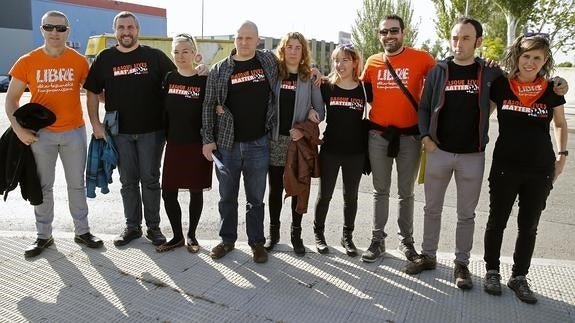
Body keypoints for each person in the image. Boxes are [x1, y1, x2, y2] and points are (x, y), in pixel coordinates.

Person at [4, 10, 103, 257]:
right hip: (41, 136)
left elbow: (95, 94)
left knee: (76, 185)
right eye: (49, 27)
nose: (55, 32)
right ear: (42, 30)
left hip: (73, 133)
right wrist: (19, 130)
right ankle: (43, 236)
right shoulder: (27, 61)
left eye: (60, 28)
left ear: (68, 31)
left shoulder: (79, 61)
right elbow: (11, 99)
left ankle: (82, 231)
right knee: (43, 186)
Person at [483, 33, 568, 304]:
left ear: (544, 61)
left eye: (537, 58)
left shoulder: (551, 89)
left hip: (540, 170)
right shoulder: (502, 86)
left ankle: (519, 277)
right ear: (517, 57)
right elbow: (483, 114)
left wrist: (562, 157)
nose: (530, 62)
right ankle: (492, 271)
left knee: (528, 226)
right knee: (497, 222)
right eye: (526, 56)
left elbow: (560, 124)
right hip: (505, 167)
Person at [84, 11, 176, 247]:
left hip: (152, 132)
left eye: (130, 27)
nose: (126, 32)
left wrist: (200, 72)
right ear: (115, 31)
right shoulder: (105, 58)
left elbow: (178, 81)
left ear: (138, 30)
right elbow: (93, 91)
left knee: (151, 179)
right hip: (119, 133)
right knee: (128, 181)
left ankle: (153, 227)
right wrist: (95, 124)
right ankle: (132, 226)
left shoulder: (154, 56)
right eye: (121, 27)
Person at [360, 14, 436, 263]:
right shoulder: (372, 63)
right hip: (379, 135)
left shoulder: (421, 58)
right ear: (379, 35)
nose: (389, 36)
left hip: (410, 137)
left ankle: (406, 242)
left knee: (406, 192)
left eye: (394, 31)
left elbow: (444, 79)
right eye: (384, 32)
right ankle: (377, 240)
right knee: (380, 190)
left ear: (403, 33)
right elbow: (360, 91)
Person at [201, 21, 278, 263]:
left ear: (258, 40)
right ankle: (227, 240)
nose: (244, 42)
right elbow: (207, 106)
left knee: (256, 198)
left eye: (249, 38)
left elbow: (297, 66)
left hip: (259, 143)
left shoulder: (268, 62)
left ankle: (256, 242)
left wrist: (316, 73)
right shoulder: (220, 69)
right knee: (227, 197)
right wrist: (207, 140)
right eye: (240, 38)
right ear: (234, 40)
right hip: (227, 144)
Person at [264, 32, 324, 255]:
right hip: (276, 140)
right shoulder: (274, 74)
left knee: (298, 188)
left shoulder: (309, 77)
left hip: (298, 143)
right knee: (276, 189)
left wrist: (303, 126)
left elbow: (320, 111)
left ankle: (296, 234)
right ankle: (274, 232)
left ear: (303, 52)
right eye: (289, 46)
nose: (292, 51)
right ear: (283, 49)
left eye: (297, 47)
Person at [155, 34, 212, 253]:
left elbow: (212, 110)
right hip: (174, 144)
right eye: (177, 51)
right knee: (168, 191)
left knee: (195, 191)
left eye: (186, 51)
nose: (181, 56)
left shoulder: (204, 79)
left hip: (198, 145)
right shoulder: (169, 78)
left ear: (194, 53)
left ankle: (191, 236)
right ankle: (177, 235)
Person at [313, 44, 370, 257]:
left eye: (345, 60)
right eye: (337, 60)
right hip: (330, 150)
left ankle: (347, 236)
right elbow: (309, 100)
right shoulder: (326, 86)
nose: (340, 64)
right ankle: (319, 234)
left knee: (351, 197)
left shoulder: (364, 88)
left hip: (355, 153)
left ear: (355, 62)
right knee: (324, 195)